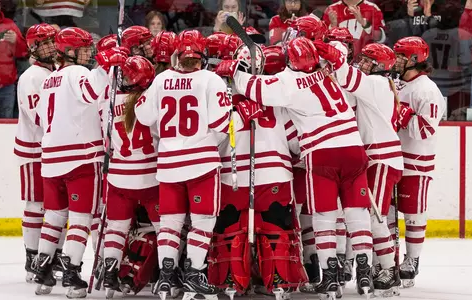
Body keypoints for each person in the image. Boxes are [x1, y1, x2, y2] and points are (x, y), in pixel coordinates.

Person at [216, 37, 373, 300]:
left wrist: (234, 71)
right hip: (354, 148)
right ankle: (365, 272)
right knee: (357, 214)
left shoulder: (288, 84)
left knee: (324, 217)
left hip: (322, 154)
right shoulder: (327, 71)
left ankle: (329, 277)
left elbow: (256, 88)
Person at [32, 27, 128, 298]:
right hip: (80, 158)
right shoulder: (79, 73)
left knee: (52, 218)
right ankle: (72, 275)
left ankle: (43, 271)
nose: (89, 52)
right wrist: (106, 67)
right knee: (80, 219)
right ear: (70, 52)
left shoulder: (48, 79)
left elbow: (41, 118)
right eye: (84, 48)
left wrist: (105, 67)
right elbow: (90, 94)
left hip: (50, 159)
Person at [135, 29, 230, 300]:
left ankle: (166, 279)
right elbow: (222, 126)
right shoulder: (211, 80)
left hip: (168, 164)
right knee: (202, 223)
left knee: (169, 224)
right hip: (201, 163)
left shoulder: (162, 79)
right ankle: (194, 277)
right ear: (203, 54)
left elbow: (143, 116)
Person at [209, 44, 306, 300]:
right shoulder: (278, 102)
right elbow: (296, 143)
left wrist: (236, 120)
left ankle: (230, 279)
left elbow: (215, 142)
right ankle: (279, 280)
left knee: (231, 229)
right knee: (276, 228)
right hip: (276, 176)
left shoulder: (223, 100)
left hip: (232, 177)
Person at [319, 41, 404, 297]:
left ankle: (389, 271)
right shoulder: (379, 84)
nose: (362, 64)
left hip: (380, 158)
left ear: (380, 67)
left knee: (374, 218)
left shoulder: (376, 84)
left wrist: (332, 57)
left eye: (368, 61)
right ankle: (386, 268)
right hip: (379, 157)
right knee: (371, 216)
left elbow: (346, 77)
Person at [100, 56, 160, 298]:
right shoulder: (151, 102)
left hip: (119, 176)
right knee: (167, 227)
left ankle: (109, 273)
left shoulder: (109, 101)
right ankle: (169, 275)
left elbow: (105, 136)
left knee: (115, 228)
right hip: (149, 176)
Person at [391, 36, 445, 289]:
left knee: (413, 213)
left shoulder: (427, 90)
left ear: (414, 60)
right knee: (387, 213)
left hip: (415, 162)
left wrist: (400, 111)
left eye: (401, 56)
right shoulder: (396, 83)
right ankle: (387, 260)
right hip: (390, 157)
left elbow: (425, 131)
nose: (396, 60)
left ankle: (412, 260)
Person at [14, 22, 61, 284]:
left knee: (56, 207)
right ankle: (32, 257)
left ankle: (53, 255)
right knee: (36, 205)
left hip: (51, 150)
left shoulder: (53, 71)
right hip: (34, 149)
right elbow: (39, 118)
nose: (51, 47)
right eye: (45, 43)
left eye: (53, 41)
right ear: (34, 47)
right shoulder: (32, 77)